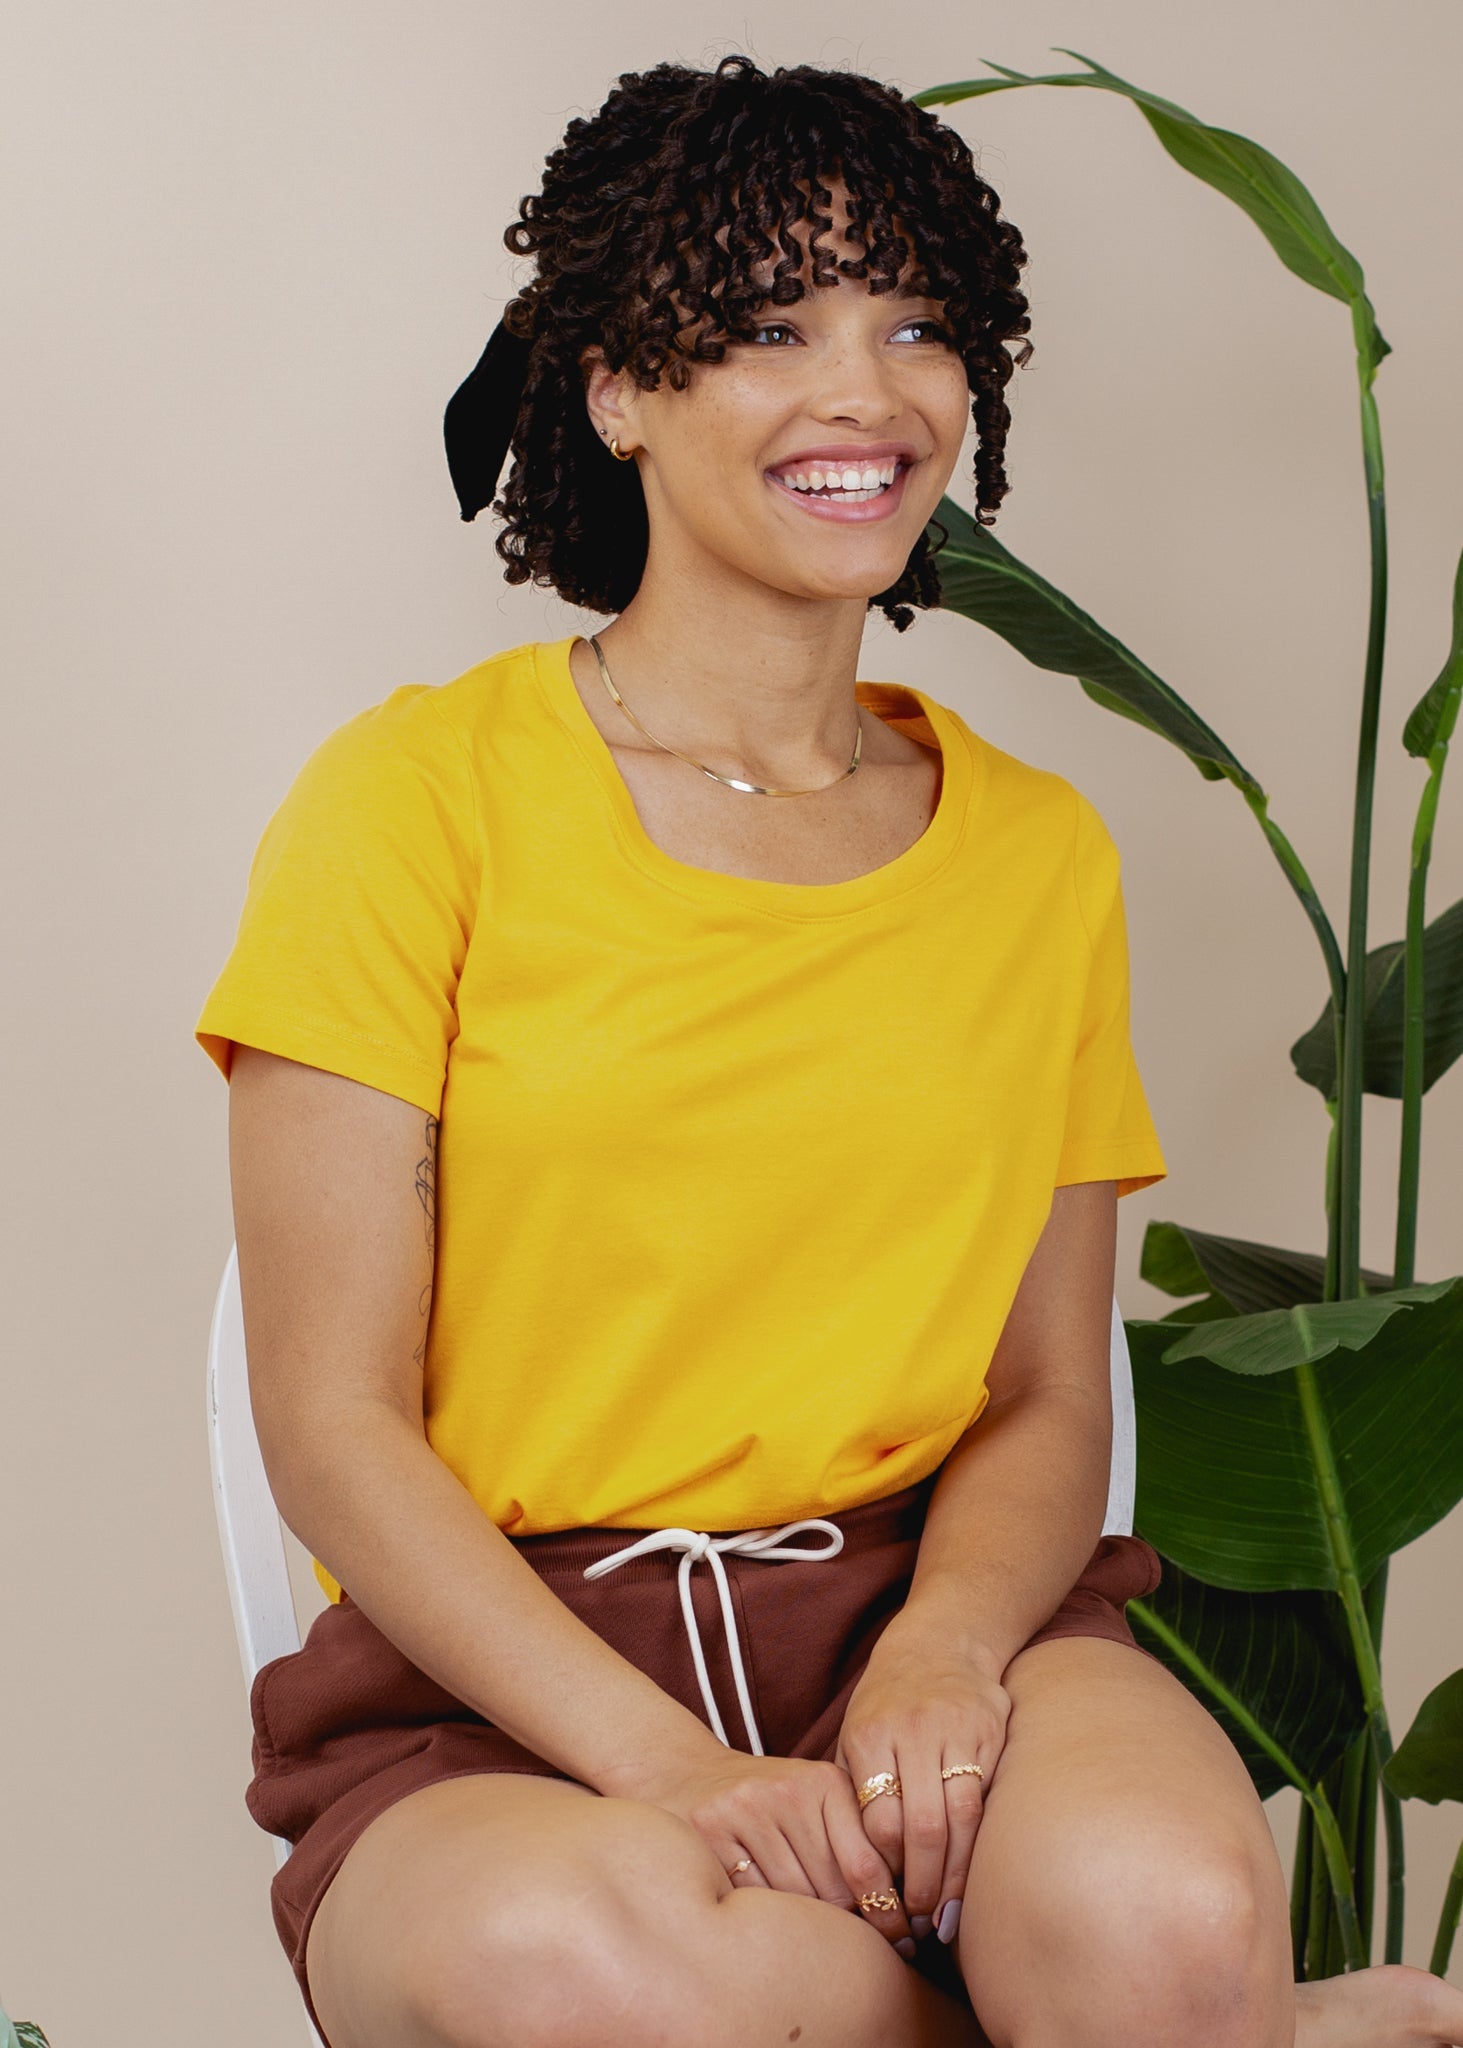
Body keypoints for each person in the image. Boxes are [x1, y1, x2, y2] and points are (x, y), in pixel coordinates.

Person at [195, 54, 1463, 2048]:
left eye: (914, 321)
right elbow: (335, 1425)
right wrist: (673, 1767)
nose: (861, 388)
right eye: (769, 327)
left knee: (1167, 1914)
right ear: (620, 388)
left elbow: (1050, 1389)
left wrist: (947, 1658)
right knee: (598, 1975)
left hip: (930, 1622)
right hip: (502, 1699)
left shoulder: (1038, 855)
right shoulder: (411, 802)